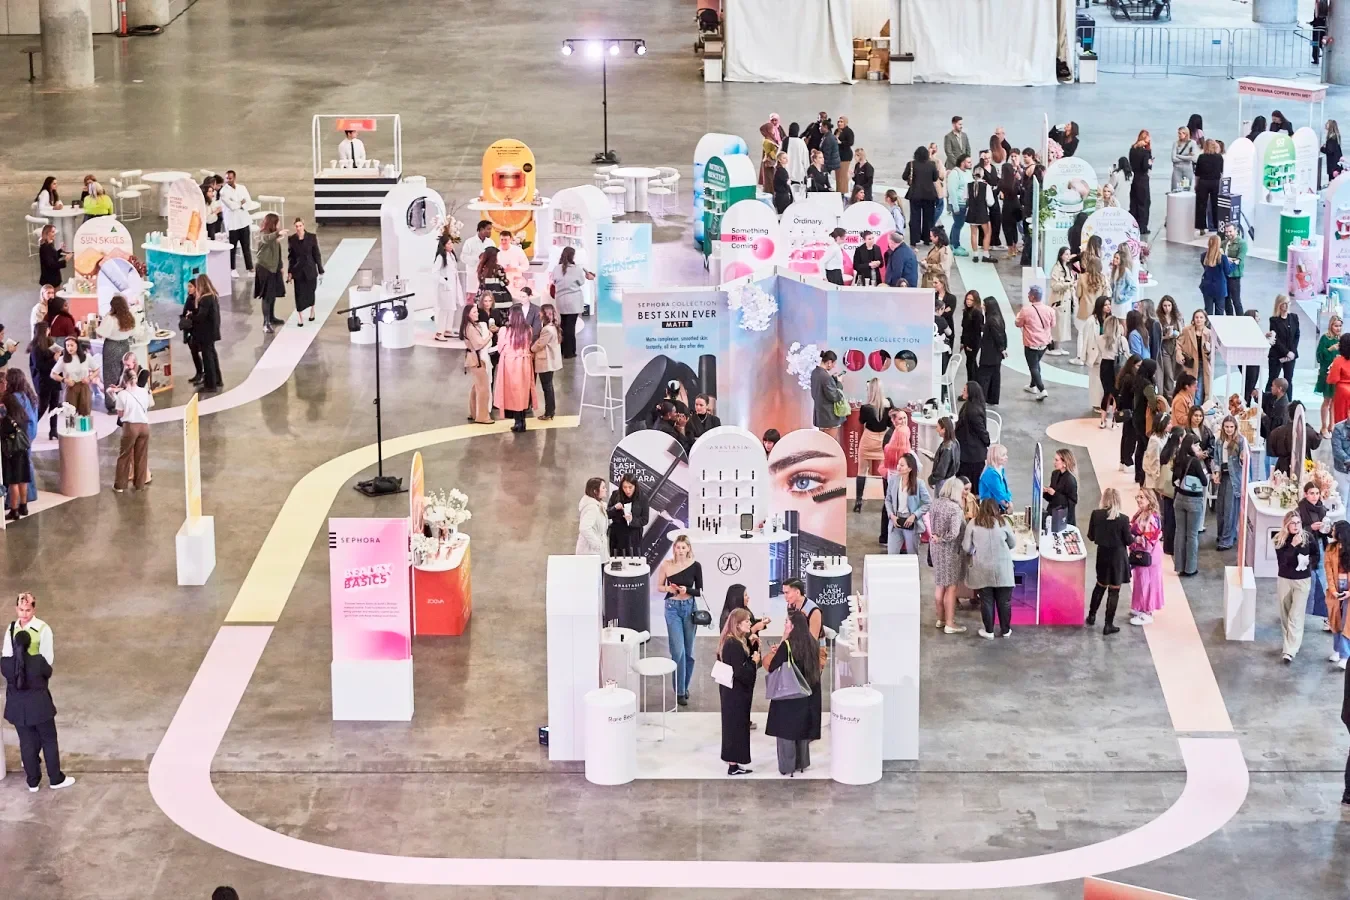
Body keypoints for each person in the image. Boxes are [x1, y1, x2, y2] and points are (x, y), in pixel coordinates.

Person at [2, 629, 73, 792]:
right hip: (41, 708)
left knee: (26, 743)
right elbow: (48, 673)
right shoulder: (38, 661)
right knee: (49, 741)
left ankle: (32, 782)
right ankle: (55, 778)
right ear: (29, 645)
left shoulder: (5, 664)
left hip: (18, 710)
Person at [763, 608, 820, 776]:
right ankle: (802, 762)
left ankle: (787, 766)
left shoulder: (788, 645)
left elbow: (772, 666)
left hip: (787, 694)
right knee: (802, 730)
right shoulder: (812, 642)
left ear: (793, 626)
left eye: (787, 622)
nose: (785, 625)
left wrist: (782, 640)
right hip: (806, 693)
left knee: (786, 732)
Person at [655, 534, 703, 706]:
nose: (681, 550)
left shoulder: (696, 566)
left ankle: (684, 685)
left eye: (684, 547)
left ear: (689, 548)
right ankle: (680, 691)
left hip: (689, 608)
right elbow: (659, 586)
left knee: (688, 651)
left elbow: (700, 591)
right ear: (674, 548)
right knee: (678, 651)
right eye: (678, 547)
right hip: (672, 608)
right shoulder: (666, 565)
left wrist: (687, 590)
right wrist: (670, 588)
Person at [965, 498, 1016, 639]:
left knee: (986, 600)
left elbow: (966, 547)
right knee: (1004, 601)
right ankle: (1006, 631)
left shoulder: (973, 523)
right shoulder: (1003, 522)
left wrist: (974, 550)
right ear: (996, 509)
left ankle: (989, 631)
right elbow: (1012, 543)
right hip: (1003, 568)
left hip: (982, 567)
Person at [717, 607, 758, 776]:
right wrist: (754, 662)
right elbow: (740, 672)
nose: (750, 623)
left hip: (733, 692)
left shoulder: (734, 640)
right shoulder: (732, 644)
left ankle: (734, 763)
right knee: (735, 727)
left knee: (736, 726)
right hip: (735, 694)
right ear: (738, 624)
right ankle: (733, 764)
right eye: (747, 621)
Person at [1275, 510, 1319, 663]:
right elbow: (1282, 561)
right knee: (1285, 614)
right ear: (1286, 525)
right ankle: (1289, 643)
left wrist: (1309, 563)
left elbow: (1316, 555)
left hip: (1302, 580)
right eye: (1292, 523)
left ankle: (1290, 650)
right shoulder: (1279, 539)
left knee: (1296, 615)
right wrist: (1292, 545)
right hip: (1285, 579)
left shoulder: (1308, 538)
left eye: (1298, 523)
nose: (1296, 526)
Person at [1087, 487, 1132, 635]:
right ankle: (1108, 624)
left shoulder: (1096, 515)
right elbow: (1128, 541)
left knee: (1099, 585)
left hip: (1102, 555)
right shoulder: (1124, 519)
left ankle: (1091, 615)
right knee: (1114, 590)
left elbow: (1091, 536)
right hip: (1118, 558)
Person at [929, 477, 966, 629]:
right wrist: (944, 538)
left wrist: (937, 538)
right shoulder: (954, 509)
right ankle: (950, 623)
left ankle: (941, 619)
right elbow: (954, 533)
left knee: (939, 584)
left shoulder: (935, 503)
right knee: (951, 587)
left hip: (935, 549)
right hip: (950, 551)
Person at [108, 367, 152, 492]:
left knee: (124, 455)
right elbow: (148, 405)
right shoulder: (144, 391)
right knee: (141, 456)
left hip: (130, 427)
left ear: (124, 379)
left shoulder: (122, 395)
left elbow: (121, 414)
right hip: (144, 426)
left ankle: (120, 486)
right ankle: (139, 485)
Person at [94, 295, 140, 413]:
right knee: (124, 374)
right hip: (125, 345)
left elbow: (101, 333)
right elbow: (133, 332)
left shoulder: (110, 318)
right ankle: (125, 401)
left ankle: (112, 404)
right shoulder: (130, 317)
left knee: (111, 375)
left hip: (112, 346)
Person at [1172, 434, 1209, 577]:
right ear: (1190, 446)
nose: (1198, 447)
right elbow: (1204, 482)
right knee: (1192, 535)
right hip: (1194, 501)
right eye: (1196, 444)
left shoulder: (1178, 458)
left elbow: (1173, 480)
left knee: (1180, 533)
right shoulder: (1194, 462)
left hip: (1179, 498)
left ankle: (1179, 566)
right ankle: (1190, 568)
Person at [493, 304, 534, 433]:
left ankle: (517, 422)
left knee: (513, 392)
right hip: (525, 363)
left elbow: (500, 348)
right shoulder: (528, 329)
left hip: (510, 364)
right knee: (523, 391)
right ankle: (522, 421)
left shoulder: (504, 331)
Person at [1129, 488, 1165, 625]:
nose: (1138, 500)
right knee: (1139, 581)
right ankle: (1140, 606)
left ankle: (1147, 612)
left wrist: (1132, 538)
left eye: (1142, 497)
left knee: (1146, 583)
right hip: (1140, 555)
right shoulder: (1141, 513)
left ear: (1150, 500)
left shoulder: (1152, 518)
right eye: (1137, 497)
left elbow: (1147, 541)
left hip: (1147, 556)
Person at [886, 451, 931, 559]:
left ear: (910, 468)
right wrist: (891, 515)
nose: (898, 467)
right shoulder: (893, 480)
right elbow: (888, 500)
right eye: (898, 464)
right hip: (895, 522)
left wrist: (914, 515)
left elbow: (928, 502)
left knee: (912, 556)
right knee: (891, 555)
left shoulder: (918, 484)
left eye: (902, 465)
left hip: (911, 524)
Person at [854, 378, 890, 512]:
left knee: (862, 470)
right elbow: (889, 425)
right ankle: (887, 501)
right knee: (884, 472)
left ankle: (858, 501)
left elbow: (861, 421)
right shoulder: (888, 405)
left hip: (868, 439)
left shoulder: (865, 408)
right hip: (882, 441)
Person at [1213, 415, 1247, 551]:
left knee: (1230, 510)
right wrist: (1216, 472)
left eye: (1231, 427)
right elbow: (1216, 459)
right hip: (1223, 476)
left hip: (1234, 479)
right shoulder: (1219, 441)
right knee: (1220, 508)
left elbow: (1244, 462)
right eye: (1226, 427)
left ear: (1235, 427)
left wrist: (1242, 458)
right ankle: (1223, 534)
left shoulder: (1241, 441)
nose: (1229, 429)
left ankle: (1227, 539)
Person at [1015, 285, 1054, 400]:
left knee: (1033, 366)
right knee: (1036, 363)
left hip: (1031, 343)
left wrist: (1018, 317)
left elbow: (1018, 324)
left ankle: (1042, 389)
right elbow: (1053, 324)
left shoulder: (1026, 310)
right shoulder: (1049, 310)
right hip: (1044, 343)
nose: (1027, 295)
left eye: (1029, 294)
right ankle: (1032, 385)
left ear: (1032, 296)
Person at [283, 218, 324, 326]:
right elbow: (291, 257)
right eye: (296, 226)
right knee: (299, 294)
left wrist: (320, 269)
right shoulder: (292, 239)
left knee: (311, 291)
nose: (298, 228)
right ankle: (300, 317)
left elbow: (316, 254)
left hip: (310, 269)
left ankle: (312, 311)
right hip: (298, 270)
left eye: (300, 226)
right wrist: (290, 272)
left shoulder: (311, 237)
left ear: (304, 226)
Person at [1074, 246, 1108, 366]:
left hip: (1084, 309)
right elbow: (1106, 295)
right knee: (1096, 334)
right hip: (1098, 311)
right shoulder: (1103, 278)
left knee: (1082, 333)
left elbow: (1078, 293)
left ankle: (1080, 357)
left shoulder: (1082, 277)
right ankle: (1094, 356)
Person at [459, 304, 493, 424]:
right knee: (483, 389)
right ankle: (482, 416)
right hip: (476, 360)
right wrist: (489, 336)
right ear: (468, 314)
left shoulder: (468, 326)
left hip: (473, 359)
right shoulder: (471, 328)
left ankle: (474, 413)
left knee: (476, 387)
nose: (477, 314)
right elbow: (479, 344)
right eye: (474, 312)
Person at [1, 391, 32, 520]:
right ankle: (23, 506)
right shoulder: (23, 416)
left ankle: (14, 510)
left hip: (11, 453)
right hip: (23, 451)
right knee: (23, 480)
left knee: (14, 482)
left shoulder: (6, 421)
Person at [253, 213, 286, 332]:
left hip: (274, 267)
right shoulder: (264, 234)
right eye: (277, 222)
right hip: (264, 268)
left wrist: (280, 266)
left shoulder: (273, 236)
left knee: (272, 295)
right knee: (266, 296)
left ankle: (271, 317)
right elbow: (266, 239)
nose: (279, 225)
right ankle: (265, 323)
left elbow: (278, 251)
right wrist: (277, 233)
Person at [528, 303, 561, 422]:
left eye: (541, 312)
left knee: (547, 387)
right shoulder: (553, 327)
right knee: (548, 386)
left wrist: (531, 349)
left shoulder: (547, 329)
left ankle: (549, 412)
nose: (539, 314)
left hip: (545, 362)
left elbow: (540, 344)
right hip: (550, 361)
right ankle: (550, 411)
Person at [49, 336, 97, 418]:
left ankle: (84, 430)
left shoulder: (86, 357)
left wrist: (89, 378)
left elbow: (96, 369)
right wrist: (64, 380)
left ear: (77, 345)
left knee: (85, 414)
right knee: (70, 414)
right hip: (71, 387)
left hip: (83, 386)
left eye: (71, 345)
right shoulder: (63, 359)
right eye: (67, 345)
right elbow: (53, 374)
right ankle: (70, 429)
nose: (69, 348)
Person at [1325, 520, 1350, 670]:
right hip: (1335, 588)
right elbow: (1328, 571)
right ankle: (1337, 649)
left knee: (1346, 622)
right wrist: (1333, 590)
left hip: (1348, 589)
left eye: (1334, 530)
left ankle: (1345, 655)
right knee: (1335, 620)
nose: (1331, 532)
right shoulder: (1330, 548)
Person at [903, 145, 939, 247]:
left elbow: (904, 176)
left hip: (915, 194)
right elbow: (935, 178)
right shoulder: (931, 164)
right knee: (929, 218)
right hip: (929, 195)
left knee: (915, 217)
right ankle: (927, 239)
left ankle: (914, 239)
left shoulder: (911, 164)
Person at [955, 381, 991, 485]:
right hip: (968, 453)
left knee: (970, 485)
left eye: (965, 390)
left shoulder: (972, 411)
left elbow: (981, 431)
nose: (963, 391)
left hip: (972, 455)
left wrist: (987, 441)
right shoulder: (970, 406)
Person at [192, 276, 223, 394]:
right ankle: (217, 379)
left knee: (207, 358)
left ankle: (210, 384)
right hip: (213, 331)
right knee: (213, 356)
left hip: (206, 333)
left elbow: (201, 317)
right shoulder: (213, 296)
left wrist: (191, 317)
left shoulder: (205, 299)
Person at [220, 170, 254, 276]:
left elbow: (248, 202)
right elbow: (231, 206)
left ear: (234, 178)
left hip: (244, 221)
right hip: (232, 224)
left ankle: (250, 268)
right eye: (226, 178)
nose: (228, 180)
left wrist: (239, 204)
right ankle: (232, 269)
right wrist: (240, 202)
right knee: (232, 248)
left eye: (230, 178)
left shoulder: (242, 188)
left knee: (246, 246)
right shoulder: (223, 192)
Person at [1176, 309, 1213, 405]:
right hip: (1191, 364)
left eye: (1201, 317)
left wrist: (1209, 350)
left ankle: (1197, 409)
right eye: (1196, 317)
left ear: (1205, 319)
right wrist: (1179, 354)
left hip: (1204, 364)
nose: (1198, 320)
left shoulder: (1209, 333)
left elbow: (1214, 351)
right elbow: (1178, 344)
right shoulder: (1187, 331)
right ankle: (1191, 407)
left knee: (1199, 388)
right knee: (1190, 387)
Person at [1266, 294, 1300, 397]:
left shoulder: (1294, 317)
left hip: (1291, 355)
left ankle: (1288, 405)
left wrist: (1292, 352)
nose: (1286, 306)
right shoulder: (1274, 320)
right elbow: (1276, 340)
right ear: (1279, 305)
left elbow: (1296, 335)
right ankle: (1268, 403)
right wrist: (1286, 352)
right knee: (1273, 378)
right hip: (1277, 355)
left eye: (1288, 303)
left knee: (1288, 379)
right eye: (1284, 304)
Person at [1316, 317, 1344, 436]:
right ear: (1330, 326)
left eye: (1339, 326)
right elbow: (1319, 356)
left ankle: (1332, 425)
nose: (1338, 328)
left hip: (1338, 374)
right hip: (1326, 373)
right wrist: (1330, 349)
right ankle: (1323, 427)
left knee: (1334, 401)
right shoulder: (1325, 338)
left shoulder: (1341, 340)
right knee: (1327, 400)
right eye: (1335, 326)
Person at [976, 297, 1006, 406]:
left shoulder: (992, 320)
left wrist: (1002, 348)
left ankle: (981, 400)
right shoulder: (998, 318)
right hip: (995, 355)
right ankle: (992, 398)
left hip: (990, 354)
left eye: (984, 304)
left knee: (983, 377)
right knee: (995, 376)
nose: (982, 306)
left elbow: (997, 336)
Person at [606, 475, 646, 558]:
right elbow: (607, 514)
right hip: (617, 535)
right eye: (624, 487)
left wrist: (632, 520)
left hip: (634, 536)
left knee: (634, 562)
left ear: (635, 486)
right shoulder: (615, 494)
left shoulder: (642, 498)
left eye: (630, 487)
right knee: (617, 562)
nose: (627, 490)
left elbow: (645, 519)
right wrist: (614, 508)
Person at [810, 349, 846, 439]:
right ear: (829, 362)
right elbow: (835, 396)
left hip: (820, 416)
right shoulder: (825, 377)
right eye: (834, 364)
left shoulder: (815, 373)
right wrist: (839, 383)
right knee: (830, 446)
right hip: (829, 418)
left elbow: (821, 391)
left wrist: (833, 380)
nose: (834, 366)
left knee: (823, 445)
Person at [1048, 247, 1075, 356]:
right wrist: (1068, 284)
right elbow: (1054, 285)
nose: (1068, 256)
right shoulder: (1056, 269)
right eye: (1066, 254)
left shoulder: (1067, 268)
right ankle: (1054, 346)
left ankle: (1059, 346)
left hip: (1066, 300)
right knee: (1057, 324)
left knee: (1063, 324)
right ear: (1061, 255)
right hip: (1059, 300)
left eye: (1069, 254)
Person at [1198, 235, 1234, 318]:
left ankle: (1206, 328)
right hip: (1220, 288)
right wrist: (1234, 264)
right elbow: (1227, 271)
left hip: (1207, 287)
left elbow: (1206, 267)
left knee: (1208, 311)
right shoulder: (1223, 258)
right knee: (1219, 312)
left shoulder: (1203, 256)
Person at [1043, 448, 1079, 529]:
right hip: (1052, 514)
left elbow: (1071, 503)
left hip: (1064, 519)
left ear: (1064, 463)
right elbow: (1051, 499)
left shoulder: (1070, 480)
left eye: (1056, 460)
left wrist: (1055, 494)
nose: (1054, 462)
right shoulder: (1055, 474)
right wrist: (1045, 492)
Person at [965, 164, 994, 263]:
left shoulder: (968, 185)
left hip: (972, 212)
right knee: (987, 233)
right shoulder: (986, 186)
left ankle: (975, 255)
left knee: (973, 234)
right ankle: (985, 254)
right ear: (983, 175)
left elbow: (965, 198)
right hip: (983, 213)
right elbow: (990, 202)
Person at [1194, 140, 1224, 234]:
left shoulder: (1201, 157)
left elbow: (1197, 173)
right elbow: (1221, 171)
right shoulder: (1219, 157)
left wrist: (1196, 184)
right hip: (1215, 182)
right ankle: (1216, 226)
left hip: (1203, 182)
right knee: (1215, 205)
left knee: (1201, 205)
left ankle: (1201, 227)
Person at [575, 477, 608, 558]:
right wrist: (597, 544)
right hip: (590, 553)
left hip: (594, 552)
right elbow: (584, 528)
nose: (606, 489)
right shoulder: (592, 507)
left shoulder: (598, 505)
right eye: (603, 487)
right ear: (595, 491)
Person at [1128, 130, 1154, 232]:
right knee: (1144, 202)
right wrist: (1150, 163)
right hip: (1143, 179)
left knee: (1134, 203)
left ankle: (1134, 224)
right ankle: (1143, 226)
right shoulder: (1145, 152)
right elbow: (1145, 166)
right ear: (1145, 138)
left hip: (1135, 178)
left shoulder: (1132, 149)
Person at [1222, 221, 1247, 316]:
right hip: (1224, 275)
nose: (1228, 234)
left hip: (1234, 276)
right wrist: (1228, 259)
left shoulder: (1242, 244)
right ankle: (1230, 318)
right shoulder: (1224, 243)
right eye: (1226, 232)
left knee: (1236, 300)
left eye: (1230, 231)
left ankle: (1241, 319)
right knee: (1226, 299)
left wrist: (1225, 258)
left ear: (1236, 231)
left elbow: (1238, 259)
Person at [978, 444, 1012, 513]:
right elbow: (998, 493)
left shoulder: (1000, 470)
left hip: (999, 506)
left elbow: (1006, 489)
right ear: (995, 457)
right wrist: (1008, 505)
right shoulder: (991, 473)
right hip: (990, 509)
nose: (1006, 457)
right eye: (1003, 455)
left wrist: (1009, 500)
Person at [929, 416, 961, 490]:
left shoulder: (947, 447)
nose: (937, 430)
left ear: (943, 429)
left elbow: (941, 471)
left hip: (943, 483)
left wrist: (931, 480)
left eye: (938, 427)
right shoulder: (955, 442)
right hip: (952, 478)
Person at [959, 291, 984, 384]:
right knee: (971, 365)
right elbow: (964, 328)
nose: (968, 301)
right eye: (967, 299)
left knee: (970, 365)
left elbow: (976, 332)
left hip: (973, 343)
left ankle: (972, 387)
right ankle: (976, 385)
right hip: (966, 342)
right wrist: (962, 342)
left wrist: (970, 345)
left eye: (971, 300)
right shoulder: (966, 311)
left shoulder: (977, 313)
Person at [1109, 245, 1138, 322]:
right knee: (1115, 320)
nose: (1115, 259)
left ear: (1122, 260)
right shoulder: (1114, 270)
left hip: (1123, 303)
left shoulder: (1126, 271)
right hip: (1115, 301)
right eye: (1114, 257)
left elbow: (1134, 288)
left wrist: (1124, 297)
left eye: (1117, 258)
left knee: (1123, 322)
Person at [37, 225, 68, 290]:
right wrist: (65, 260)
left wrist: (61, 250)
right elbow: (51, 264)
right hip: (50, 280)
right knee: (53, 298)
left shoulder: (49, 245)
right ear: (48, 233)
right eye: (53, 232)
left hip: (52, 279)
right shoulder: (45, 247)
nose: (55, 234)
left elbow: (53, 256)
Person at [1171, 126, 1199, 191]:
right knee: (1175, 189)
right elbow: (1173, 159)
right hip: (1177, 169)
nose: (1179, 135)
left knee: (1186, 189)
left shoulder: (1192, 143)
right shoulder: (1176, 143)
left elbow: (1193, 158)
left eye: (1180, 133)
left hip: (1187, 169)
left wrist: (1178, 156)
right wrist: (1187, 157)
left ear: (1186, 134)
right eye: (1178, 133)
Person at [819, 121, 840, 192]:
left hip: (829, 164)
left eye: (821, 126)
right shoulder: (827, 136)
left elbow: (827, 154)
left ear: (825, 127)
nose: (819, 128)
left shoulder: (828, 139)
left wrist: (823, 165)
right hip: (830, 163)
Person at [1324, 119, 1343, 183]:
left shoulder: (1332, 139)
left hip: (1333, 166)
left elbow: (1329, 151)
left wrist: (1322, 148)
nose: (1325, 124)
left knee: (1332, 182)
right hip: (1336, 165)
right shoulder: (1336, 137)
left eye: (1327, 123)